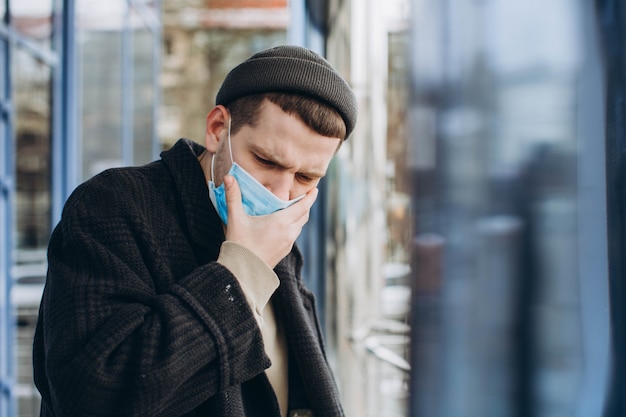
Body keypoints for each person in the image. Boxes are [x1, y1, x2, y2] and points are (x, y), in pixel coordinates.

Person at [33, 45, 357, 417]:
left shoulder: (282, 244)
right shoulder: (113, 205)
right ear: (218, 129)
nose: (281, 194)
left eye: (306, 177)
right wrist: (241, 272)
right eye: (266, 160)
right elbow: (91, 395)